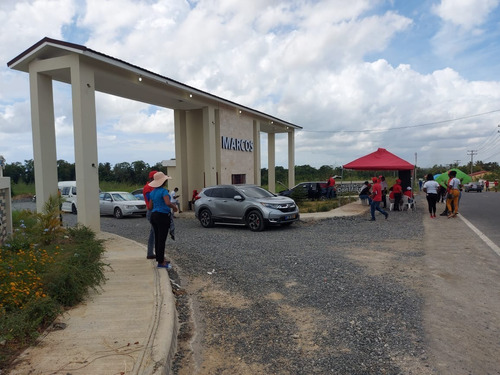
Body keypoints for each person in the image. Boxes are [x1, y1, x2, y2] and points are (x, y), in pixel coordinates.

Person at [148, 172, 178, 268]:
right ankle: (161, 262)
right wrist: (174, 208)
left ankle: (159, 258)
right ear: (163, 181)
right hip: (162, 216)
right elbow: (168, 202)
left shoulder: (152, 192)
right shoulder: (164, 191)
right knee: (162, 239)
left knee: (157, 238)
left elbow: (149, 206)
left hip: (154, 215)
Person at [143, 170, 157, 260]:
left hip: (153, 211)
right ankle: (152, 253)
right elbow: (151, 201)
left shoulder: (153, 187)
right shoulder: (148, 188)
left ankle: (150, 253)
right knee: (155, 233)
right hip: (152, 211)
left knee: (153, 233)